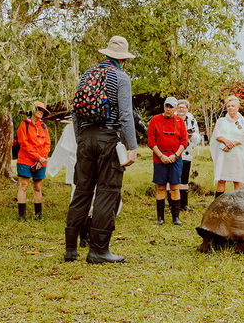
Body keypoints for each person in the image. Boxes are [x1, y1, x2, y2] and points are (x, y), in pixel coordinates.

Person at [64, 36, 138, 264]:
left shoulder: (87, 75)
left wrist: (81, 138)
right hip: (108, 139)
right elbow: (125, 115)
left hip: (85, 138)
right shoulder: (121, 77)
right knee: (107, 192)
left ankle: (70, 249)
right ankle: (98, 250)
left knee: (82, 191)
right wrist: (132, 146)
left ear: (106, 54)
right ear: (122, 59)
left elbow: (75, 111)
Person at [148, 97, 188, 225]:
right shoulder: (155, 120)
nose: (169, 109)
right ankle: (160, 218)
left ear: (175, 108)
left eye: (171, 107)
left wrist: (175, 155)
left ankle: (176, 218)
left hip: (175, 159)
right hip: (160, 159)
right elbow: (151, 141)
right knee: (160, 187)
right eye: (167, 106)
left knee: (175, 187)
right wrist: (161, 156)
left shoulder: (180, 122)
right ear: (164, 106)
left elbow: (184, 141)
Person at [210, 96, 244, 198]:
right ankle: (218, 206)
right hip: (224, 154)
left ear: (237, 107)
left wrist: (233, 144)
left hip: (238, 155)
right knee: (221, 180)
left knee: (237, 180)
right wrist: (226, 142)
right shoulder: (221, 121)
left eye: (233, 106)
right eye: (229, 106)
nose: (231, 108)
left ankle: (238, 205)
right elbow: (217, 135)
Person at [15, 102, 51, 221]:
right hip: (25, 160)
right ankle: (22, 216)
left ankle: (38, 215)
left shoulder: (43, 126)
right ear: (32, 110)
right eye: (39, 109)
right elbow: (23, 144)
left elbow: (47, 143)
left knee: (38, 187)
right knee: (23, 186)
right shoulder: (23, 125)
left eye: (42, 110)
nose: (41, 112)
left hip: (41, 161)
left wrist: (43, 158)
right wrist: (37, 157)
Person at [176, 99, 202, 211]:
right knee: (174, 179)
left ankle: (184, 204)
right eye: (180, 107)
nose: (182, 109)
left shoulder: (191, 120)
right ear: (176, 108)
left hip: (187, 152)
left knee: (184, 179)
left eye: (184, 107)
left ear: (187, 109)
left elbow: (197, 135)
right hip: (174, 152)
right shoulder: (173, 118)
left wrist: (191, 136)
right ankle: (173, 204)